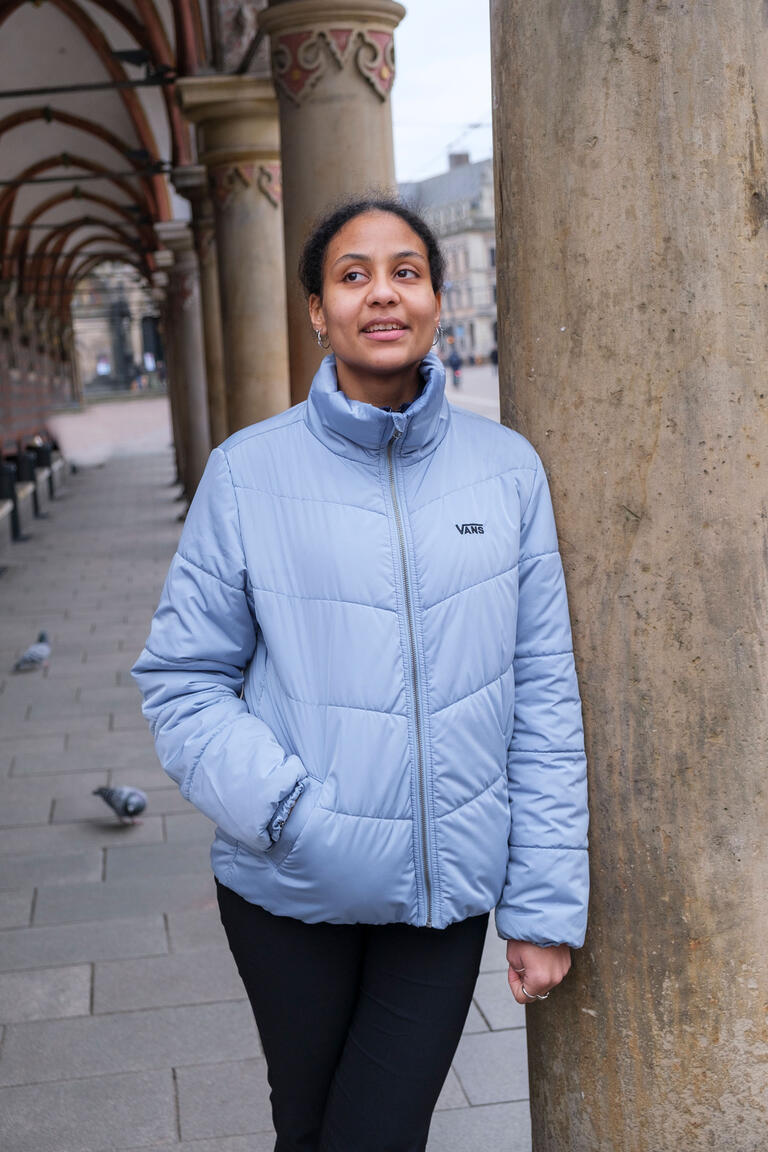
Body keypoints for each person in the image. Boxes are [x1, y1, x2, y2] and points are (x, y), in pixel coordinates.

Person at [131, 196, 589, 1152]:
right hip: (290, 887)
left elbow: (545, 695)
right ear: (317, 310)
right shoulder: (245, 474)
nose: (382, 293)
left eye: (406, 272)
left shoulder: (507, 472)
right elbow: (182, 679)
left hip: (443, 897)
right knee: (307, 1130)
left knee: (379, 1134)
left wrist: (544, 905)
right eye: (352, 275)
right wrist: (288, 813)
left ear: (435, 299)